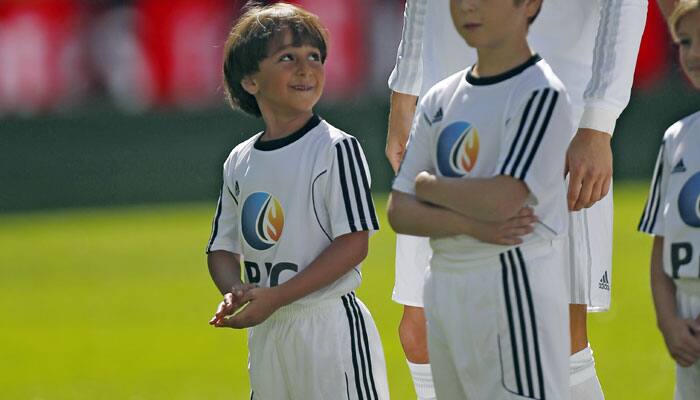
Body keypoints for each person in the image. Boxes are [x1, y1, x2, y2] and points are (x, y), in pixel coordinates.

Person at [386, 1, 647, 398]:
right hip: (447, 99)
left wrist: (599, 119)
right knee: (420, 334)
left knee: (556, 339)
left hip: (559, 108)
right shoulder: (438, 99)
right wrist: (405, 91)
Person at [205, 3, 389, 399]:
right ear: (250, 80)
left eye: (315, 57)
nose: (306, 69)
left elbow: (354, 243)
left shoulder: (337, 149)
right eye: (287, 57)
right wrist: (235, 289)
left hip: (328, 329)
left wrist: (277, 297)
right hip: (268, 332)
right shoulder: (239, 160)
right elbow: (222, 247)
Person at [639, 2, 700, 398]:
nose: (693, 54)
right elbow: (661, 246)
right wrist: (668, 321)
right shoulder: (676, 137)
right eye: (685, 42)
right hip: (687, 323)